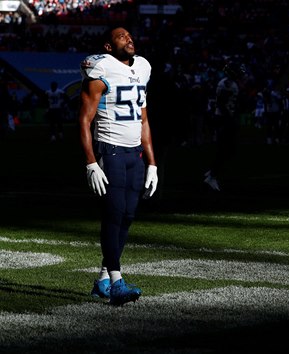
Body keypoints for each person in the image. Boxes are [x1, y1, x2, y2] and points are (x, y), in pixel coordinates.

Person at [78, 27, 158, 306]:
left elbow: (144, 120)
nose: (129, 38)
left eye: (130, 35)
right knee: (114, 213)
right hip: (110, 150)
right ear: (109, 47)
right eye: (121, 36)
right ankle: (116, 281)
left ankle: (103, 279)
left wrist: (152, 163)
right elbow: (84, 120)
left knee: (128, 215)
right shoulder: (101, 69)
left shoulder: (143, 68)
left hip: (134, 153)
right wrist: (91, 162)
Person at [203, 61, 246, 191]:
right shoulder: (228, 84)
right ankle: (212, 176)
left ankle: (211, 172)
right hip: (224, 119)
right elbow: (222, 103)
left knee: (226, 149)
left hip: (224, 118)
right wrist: (230, 119)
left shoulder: (229, 83)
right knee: (226, 149)